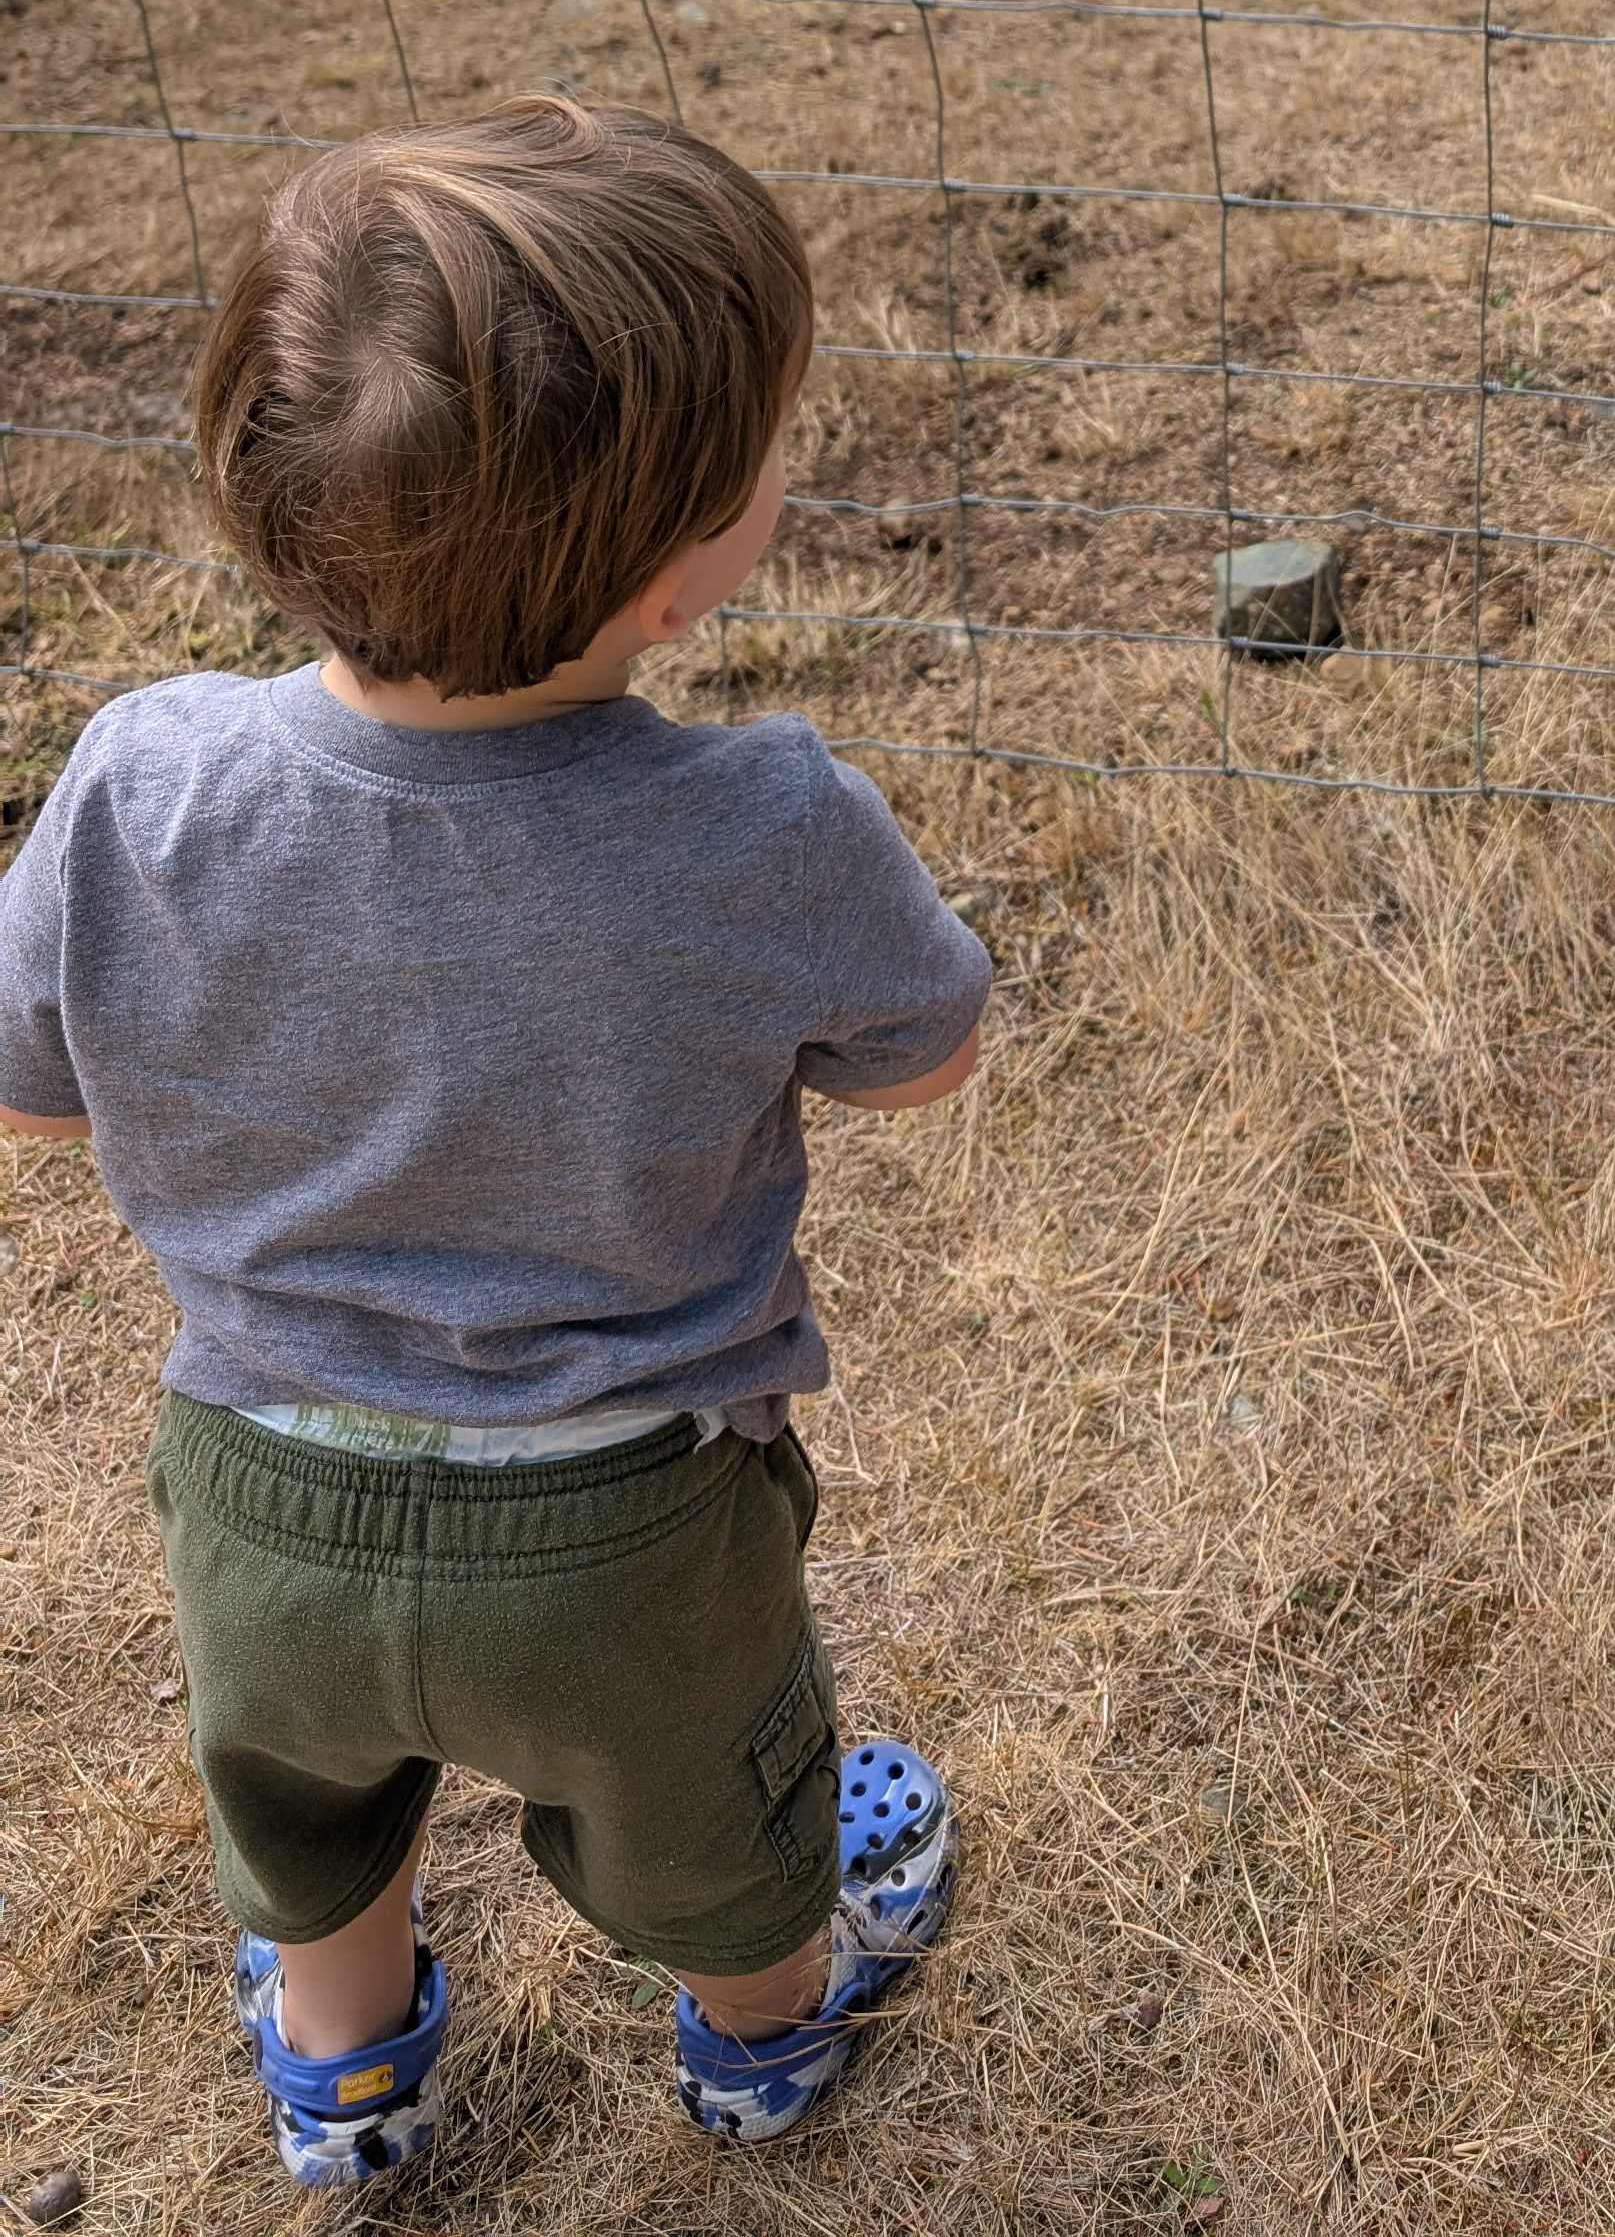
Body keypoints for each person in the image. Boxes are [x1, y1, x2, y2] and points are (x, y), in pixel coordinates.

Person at [0, 105, 991, 2182]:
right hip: (625, 1527)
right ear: (670, 573)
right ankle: (761, 2043)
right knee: (726, 1823)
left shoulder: (142, 784)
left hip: (260, 1496)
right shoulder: (766, 823)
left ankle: (348, 2088)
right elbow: (924, 1058)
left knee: (310, 1819)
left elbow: (30, 1078)